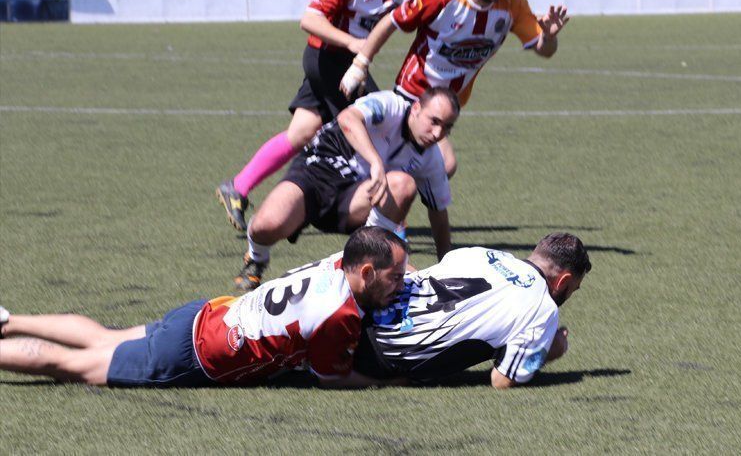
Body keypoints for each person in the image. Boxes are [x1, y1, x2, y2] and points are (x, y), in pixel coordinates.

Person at [216, 0, 463, 232]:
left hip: (347, 62)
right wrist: (355, 44)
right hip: (328, 60)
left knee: (302, 131)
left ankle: (238, 186)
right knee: (379, 130)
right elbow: (309, 20)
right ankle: (386, 222)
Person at [0, 227, 407, 388]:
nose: (401, 284)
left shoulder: (339, 261)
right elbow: (332, 377)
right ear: (367, 272)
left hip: (204, 315)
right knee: (78, 366)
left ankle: (9, 320)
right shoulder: (342, 316)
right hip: (196, 354)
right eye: (396, 277)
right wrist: (388, 383)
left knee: (105, 338)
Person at [340, 0, 570, 176]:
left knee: (414, 174)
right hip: (413, 96)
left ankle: (384, 207)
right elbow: (391, 21)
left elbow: (544, 50)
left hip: (450, 107)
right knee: (440, 166)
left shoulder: (512, 4)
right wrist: (360, 64)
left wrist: (549, 37)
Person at [237, 87, 459, 291]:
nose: (438, 133)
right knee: (266, 225)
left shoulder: (431, 161)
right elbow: (347, 118)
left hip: (354, 199)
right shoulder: (391, 106)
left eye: (447, 127)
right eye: (434, 121)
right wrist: (375, 161)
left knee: (402, 184)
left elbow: (439, 216)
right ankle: (256, 258)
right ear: (417, 108)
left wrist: (448, 273)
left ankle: (371, 252)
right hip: (317, 172)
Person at [353, 232, 590, 389]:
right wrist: (550, 350)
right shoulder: (542, 307)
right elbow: (502, 379)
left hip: (358, 309)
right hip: (379, 356)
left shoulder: (478, 252)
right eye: (573, 289)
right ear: (563, 281)